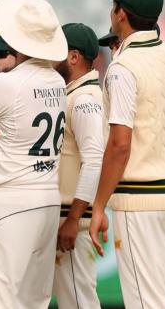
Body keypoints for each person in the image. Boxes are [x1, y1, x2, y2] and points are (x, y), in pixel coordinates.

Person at [89, 0, 165, 308]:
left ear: (121, 14)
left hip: (141, 197)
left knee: (145, 302)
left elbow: (120, 144)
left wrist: (99, 205)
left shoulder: (124, 66)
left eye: (113, 6)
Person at [0, 0, 68, 309]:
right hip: (48, 198)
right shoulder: (56, 81)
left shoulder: (9, 82)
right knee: (35, 300)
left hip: (11, 200)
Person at [52, 23, 103, 309]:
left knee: (79, 300)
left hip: (72, 219)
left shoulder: (84, 99)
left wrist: (74, 218)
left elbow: (94, 159)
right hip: (66, 215)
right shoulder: (74, 94)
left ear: (73, 57)